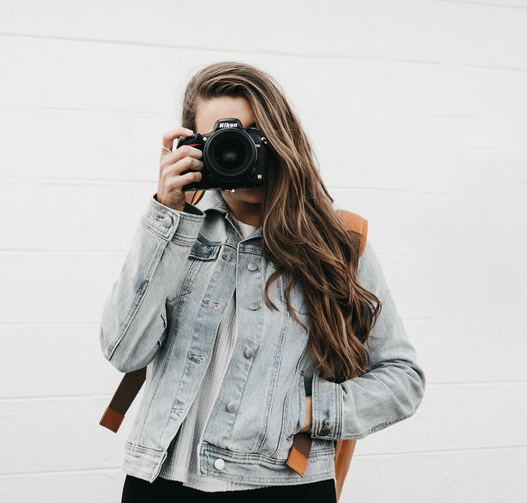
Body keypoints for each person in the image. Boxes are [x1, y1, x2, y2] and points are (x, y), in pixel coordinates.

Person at [99, 62, 426, 503]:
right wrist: (165, 215)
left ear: (282, 137)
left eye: (256, 134)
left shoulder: (338, 243)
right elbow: (124, 351)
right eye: (223, 140)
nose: (240, 150)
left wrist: (306, 412)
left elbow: (402, 380)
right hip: (160, 480)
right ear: (195, 147)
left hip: (283, 485)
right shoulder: (175, 231)